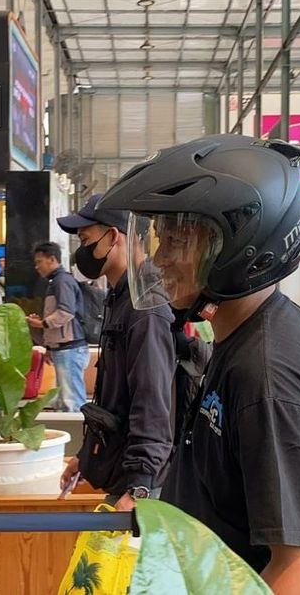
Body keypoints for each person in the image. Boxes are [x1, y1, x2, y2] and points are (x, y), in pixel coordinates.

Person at [97, 135, 300, 594]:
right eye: (161, 239)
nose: (161, 260)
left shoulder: (267, 377)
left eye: (179, 241)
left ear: (242, 246)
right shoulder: (260, 333)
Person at [55, 194, 175, 510]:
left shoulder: (145, 308)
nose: (81, 251)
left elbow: (151, 400)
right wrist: (86, 457)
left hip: (139, 490)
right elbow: (113, 399)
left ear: (113, 236)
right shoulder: (121, 298)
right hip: (122, 474)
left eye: (85, 239)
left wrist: (140, 487)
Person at [26, 241, 89, 412]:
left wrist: (42, 323)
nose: (36, 266)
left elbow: (66, 312)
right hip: (63, 348)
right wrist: (49, 346)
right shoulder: (56, 281)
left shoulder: (62, 281)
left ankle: (79, 437)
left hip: (70, 348)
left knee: (72, 402)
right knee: (64, 400)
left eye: (39, 261)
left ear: (52, 259)